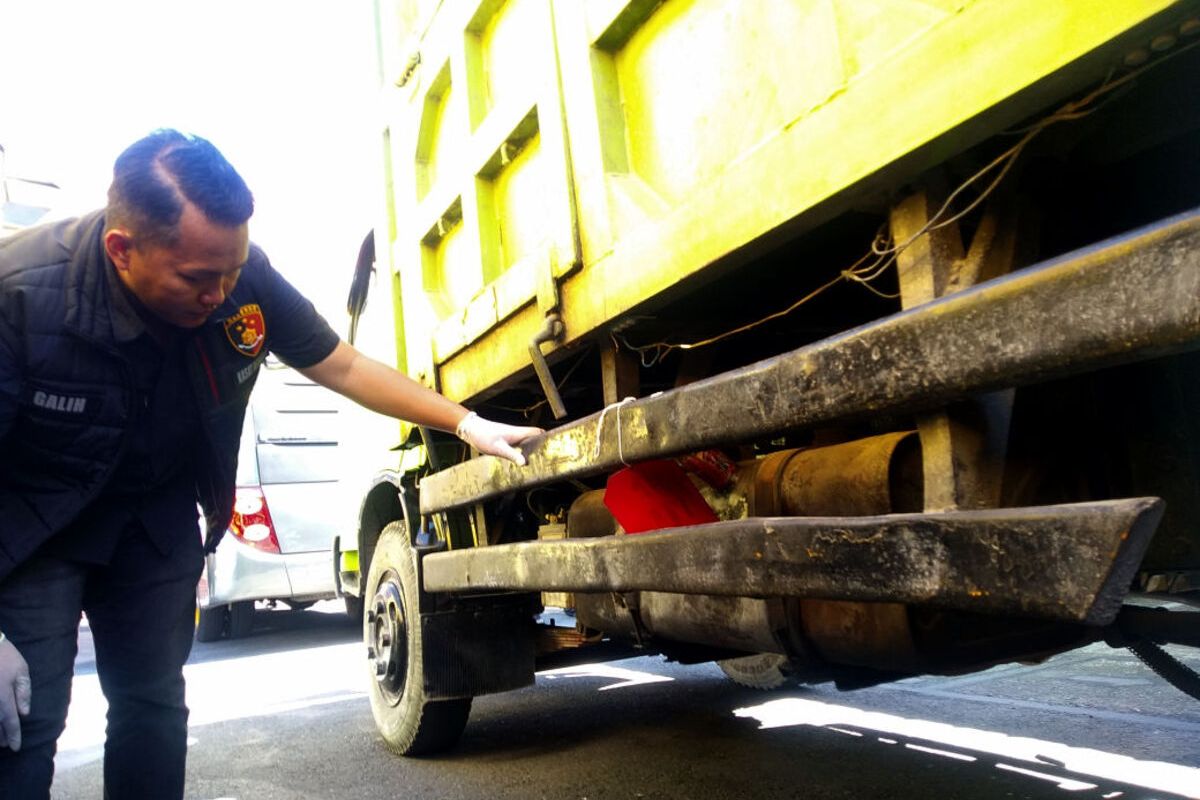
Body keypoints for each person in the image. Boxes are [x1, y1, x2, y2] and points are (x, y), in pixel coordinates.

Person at [0, 129, 542, 798]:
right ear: (122, 250)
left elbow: (341, 363)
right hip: (35, 527)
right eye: (200, 278)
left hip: (155, 520)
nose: (222, 291)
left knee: (151, 706)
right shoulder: (21, 294)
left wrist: (466, 421)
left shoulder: (236, 275)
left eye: (233, 269)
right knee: (23, 719)